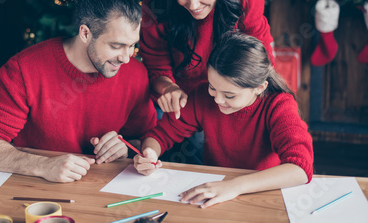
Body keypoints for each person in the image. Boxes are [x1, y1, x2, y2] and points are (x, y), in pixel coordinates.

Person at [0, 0, 157, 183]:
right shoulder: (25, 69)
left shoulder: (136, 74)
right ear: (85, 33)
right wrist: (42, 165)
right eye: (116, 46)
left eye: (132, 45)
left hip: (101, 192)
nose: (126, 58)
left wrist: (127, 148)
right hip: (32, 188)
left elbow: (147, 138)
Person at [134, 32, 313, 208]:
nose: (218, 100)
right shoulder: (203, 95)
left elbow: (300, 169)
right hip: (215, 191)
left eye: (229, 95)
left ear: (260, 87)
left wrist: (235, 186)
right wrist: (150, 152)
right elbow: (159, 135)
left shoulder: (278, 105)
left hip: (263, 194)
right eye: (213, 87)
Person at [140, 0, 275, 119]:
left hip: (236, 94)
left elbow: (260, 51)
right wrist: (169, 88)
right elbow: (157, 66)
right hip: (186, 100)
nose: (193, 4)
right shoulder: (156, 5)